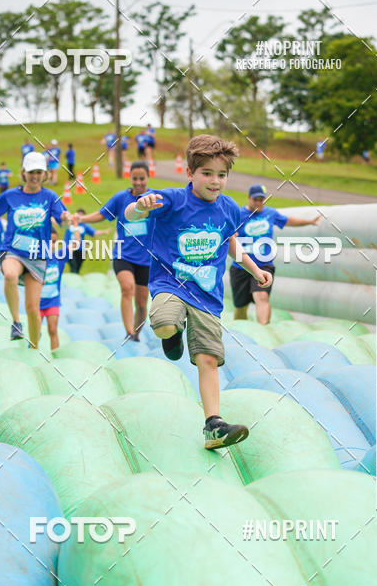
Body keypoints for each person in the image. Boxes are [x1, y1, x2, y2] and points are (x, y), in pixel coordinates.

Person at [124, 134, 272, 449]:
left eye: (221, 175)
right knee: (164, 323)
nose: (215, 181)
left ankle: (214, 425)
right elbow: (131, 216)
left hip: (207, 296)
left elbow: (231, 243)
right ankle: (172, 335)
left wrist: (256, 269)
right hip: (170, 285)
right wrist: (140, 205)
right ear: (190, 173)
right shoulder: (173, 200)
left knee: (208, 359)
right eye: (207, 173)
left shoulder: (230, 208)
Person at [0, 152, 75, 348]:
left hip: (38, 256)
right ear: (23, 172)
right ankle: (16, 322)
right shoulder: (11, 195)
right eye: (31, 172)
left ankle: (34, 347)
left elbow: (62, 218)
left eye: (39, 172)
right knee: (10, 275)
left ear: (45, 174)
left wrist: (66, 218)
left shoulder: (49, 197)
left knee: (32, 308)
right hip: (12, 251)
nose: (35, 176)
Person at [80, 161, 156, 339]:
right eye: (135, 178)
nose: (138, 182)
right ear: (130, 178)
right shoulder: (120, 198)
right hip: (123, 255)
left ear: (148, 177)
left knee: (142, 302)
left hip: (146, 260)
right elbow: (102, 214)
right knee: (127, 288)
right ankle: (129, 331)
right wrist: (81, 219)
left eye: (142, 179)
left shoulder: (154, 199)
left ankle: (136, 334)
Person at [230, 183, 321, 325]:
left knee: (261, 296)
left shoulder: (270, 214)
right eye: (256, 199)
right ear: (249, 198)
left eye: (262, 199)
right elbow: (227, 231)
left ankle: (264, 330)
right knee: (240, 307)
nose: (259, 202)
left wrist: (309, 222)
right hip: (241, 266)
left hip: (264, 265)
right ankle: (241, 335)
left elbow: (288, 221)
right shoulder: (239, 215)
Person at [39, 232, 77, 350]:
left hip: (53, 301)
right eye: (49, 241)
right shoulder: (34, 259)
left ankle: (56, 359)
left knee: (52, 329)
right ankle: (32, 354)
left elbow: (76, 244)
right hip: (36, 304)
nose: (52, 244)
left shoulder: (59, 256)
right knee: (35, 332)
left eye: (54, 241)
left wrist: (75, 227)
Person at [64, 209, 109, 275]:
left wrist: (104, 231)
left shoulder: (84, 226)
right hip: (70, 249)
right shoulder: (69, 224)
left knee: (77, 269)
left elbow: (94, 232)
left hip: (81, 250)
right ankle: (73, 280)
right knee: (73, 267)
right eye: (78, 215)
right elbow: (60, 223)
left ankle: (75, 280)